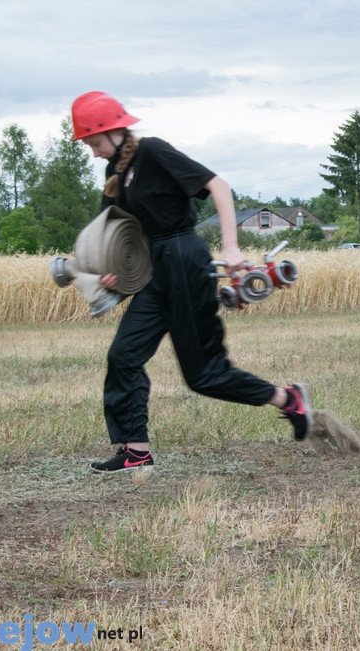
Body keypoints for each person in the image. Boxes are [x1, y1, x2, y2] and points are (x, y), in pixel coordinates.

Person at [70, 91, 312, 474]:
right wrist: (109, 271)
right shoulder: (113, 174)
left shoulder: (152, 151)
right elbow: (112, 230)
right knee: (123, 356)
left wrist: (231, 247)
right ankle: (136, 451)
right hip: (152, 271)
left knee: (203, 375)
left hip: (184, 260)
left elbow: (219, 186)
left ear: (115, 131)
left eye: (95, 143)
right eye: (89, 145)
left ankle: (288, 398)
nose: (94, 152)